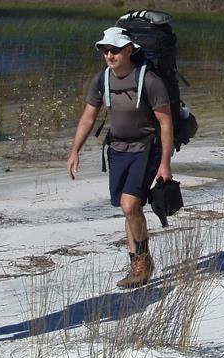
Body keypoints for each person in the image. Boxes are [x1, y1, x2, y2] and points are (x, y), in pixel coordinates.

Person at [66, 27, 173, 289]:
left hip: (146, 148)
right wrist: (75, 151)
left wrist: (165, 163)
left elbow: (166, 123)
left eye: (114, 50)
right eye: (105, 50)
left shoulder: (149, 81)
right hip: (117, 149)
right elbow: (88, 117)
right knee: (129, 209)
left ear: (129, 50)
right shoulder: (101, 79)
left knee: (129, 205)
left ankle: (143, 261)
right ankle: (137, 264)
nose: (109, 55)